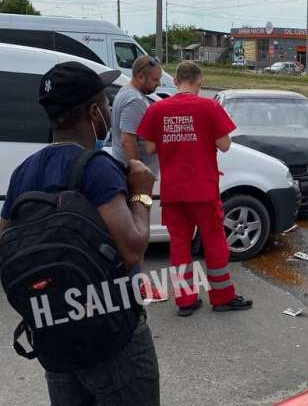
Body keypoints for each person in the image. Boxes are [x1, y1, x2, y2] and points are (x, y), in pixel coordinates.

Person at [0, 61, 160, 405]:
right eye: (104, 104)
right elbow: (132, 248)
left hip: (53, 337)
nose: (106, 111)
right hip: (113, 336)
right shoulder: (97, 168)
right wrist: (142, 193)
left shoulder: (23, 173)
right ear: (93, 113)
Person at [137, 61, 253, 316]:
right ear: (199, 82)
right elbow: (224, 145)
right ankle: (222, 297)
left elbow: (149, 148)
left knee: (179, 246)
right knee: (214, 243)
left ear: (176, 81)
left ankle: (185, 302)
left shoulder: (158, 109)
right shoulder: (209, 106)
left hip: (173, 191)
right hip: (203, 190)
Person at [111, 55, 167, 302]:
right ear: (141, 75)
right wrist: (138, 172)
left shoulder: (127, 93)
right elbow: (127, 139)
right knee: (137, 235)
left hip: (128, 173)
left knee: (130, 235)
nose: (157, 84)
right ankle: (137, 288)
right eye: (154, 80)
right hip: (134, 177)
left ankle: (132, 285)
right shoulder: (134, 100)